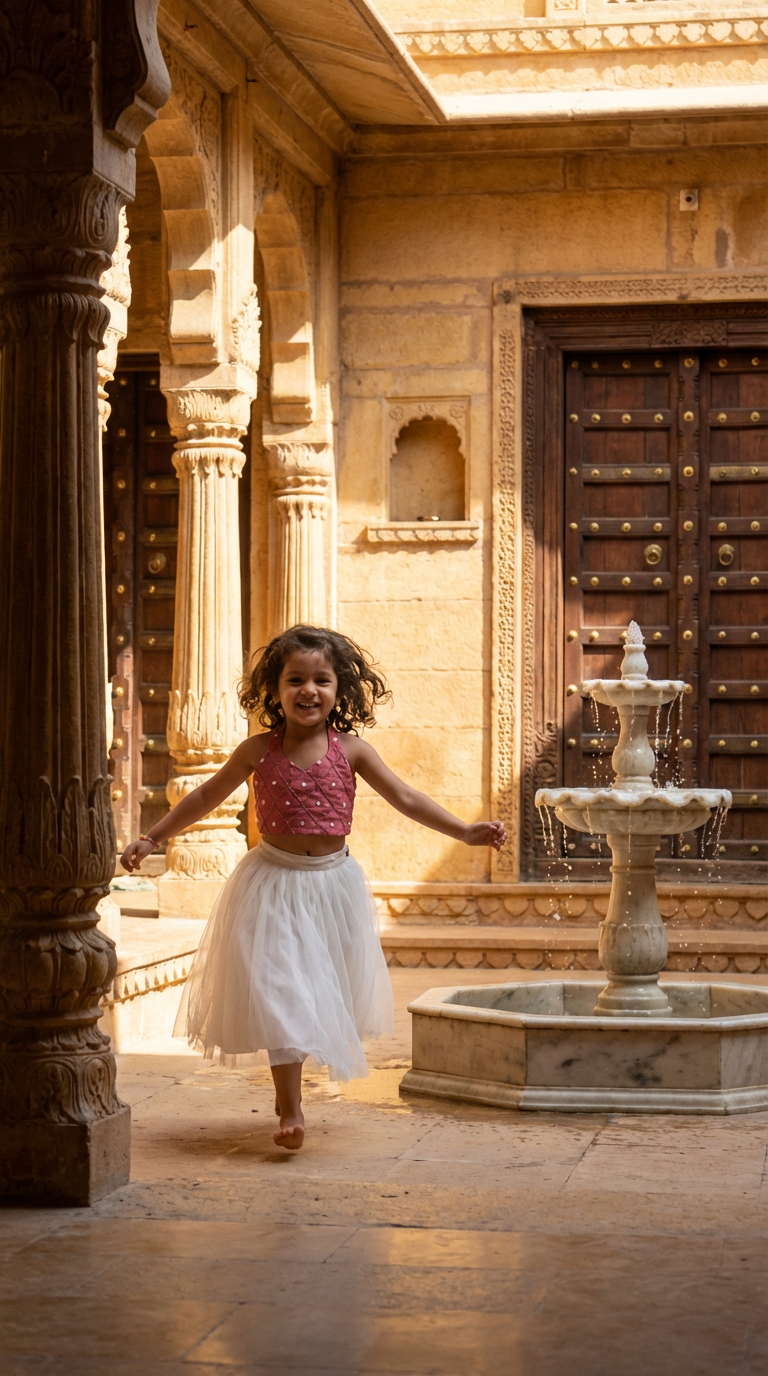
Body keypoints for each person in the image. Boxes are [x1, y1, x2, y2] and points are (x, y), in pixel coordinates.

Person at [120, 625, 506, 1150]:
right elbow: (207, 794)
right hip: (272, 885)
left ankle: (290, 1095)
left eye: (321, 680)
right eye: (295, 679)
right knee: (284, 989)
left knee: (313, 990)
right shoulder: (258, 751)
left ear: (339, 690)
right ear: (274, 692)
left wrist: (464, 831)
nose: (309, 690)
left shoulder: (352, 750)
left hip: (332, 889)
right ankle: (292, 1108)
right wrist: (152, 837)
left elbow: (407, 798)